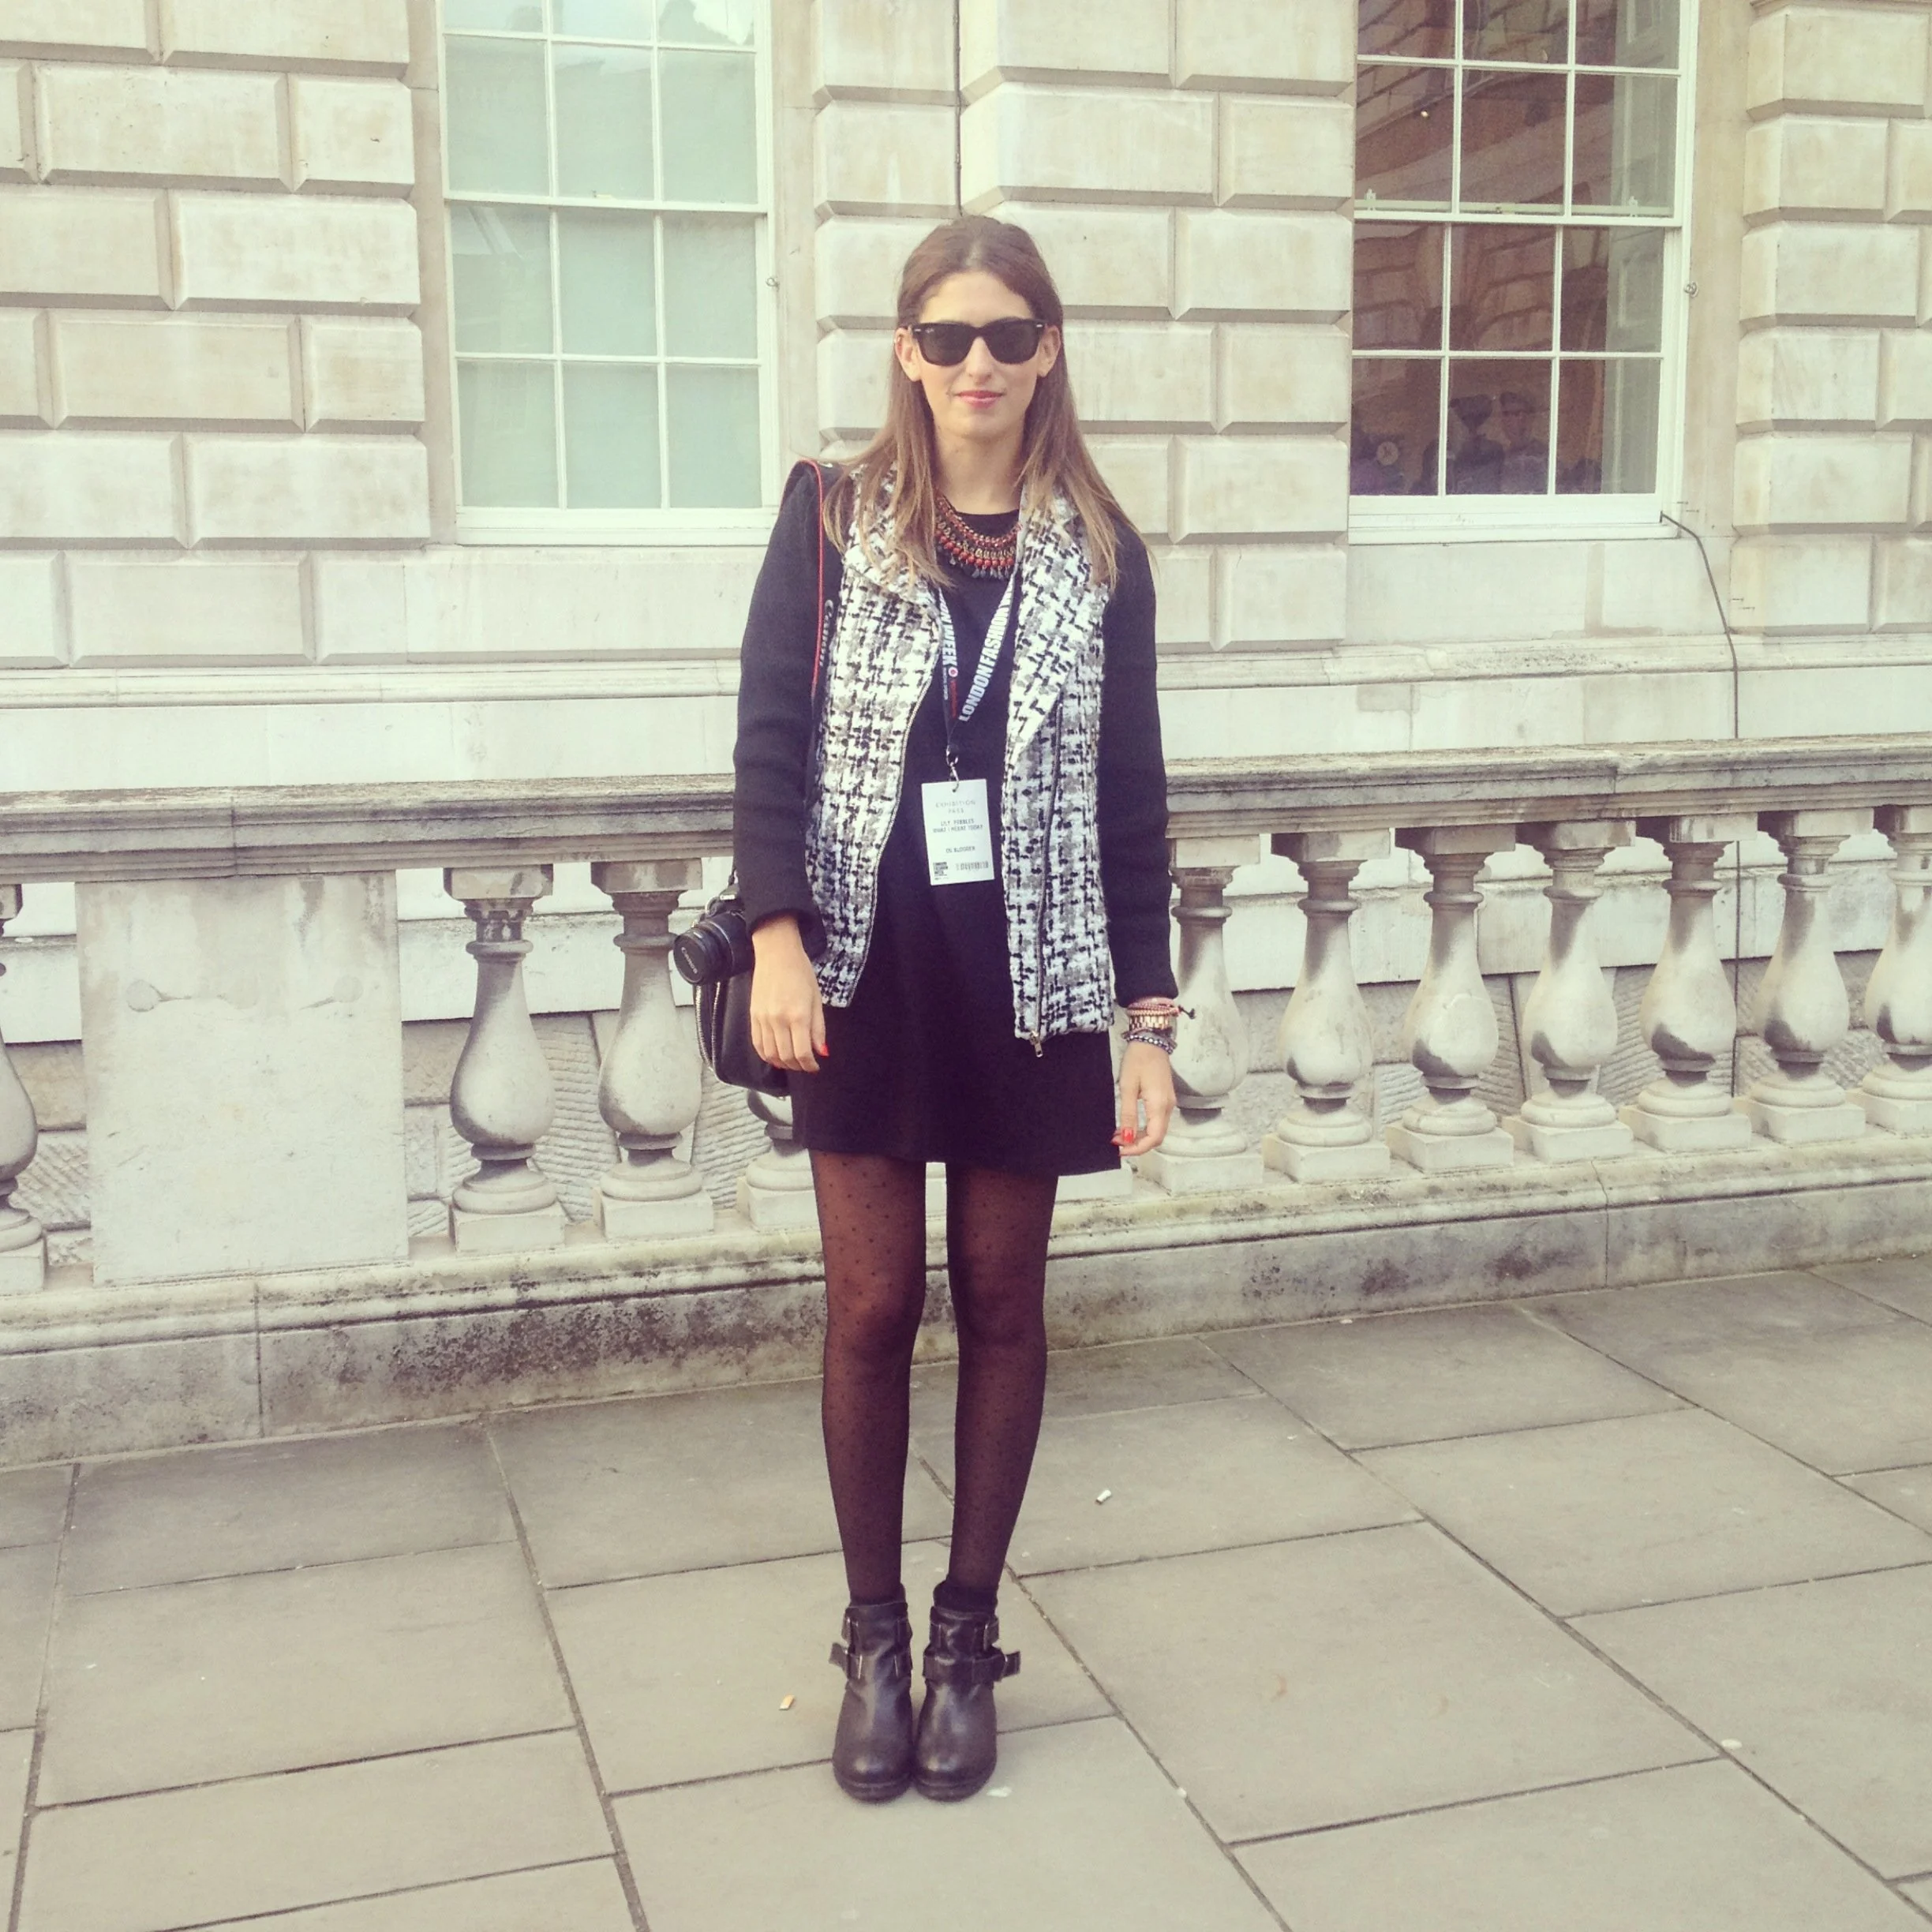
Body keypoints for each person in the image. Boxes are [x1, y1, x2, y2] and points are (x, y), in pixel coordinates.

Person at [731, 215, 1179, 1805]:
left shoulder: (1100, 552)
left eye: (1007, 336)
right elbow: (768, 742)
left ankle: (966, 1636)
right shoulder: (833, 519)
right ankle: (869, 1636)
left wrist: (1150, 1015)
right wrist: (776, 940)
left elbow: (1133, 798)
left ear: (1047, 348)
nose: (976, 365)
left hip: (1033, 983)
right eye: (946, 338)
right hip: (863, 973)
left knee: (1000, 1303)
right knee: (868, 1309)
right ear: (904, 356)